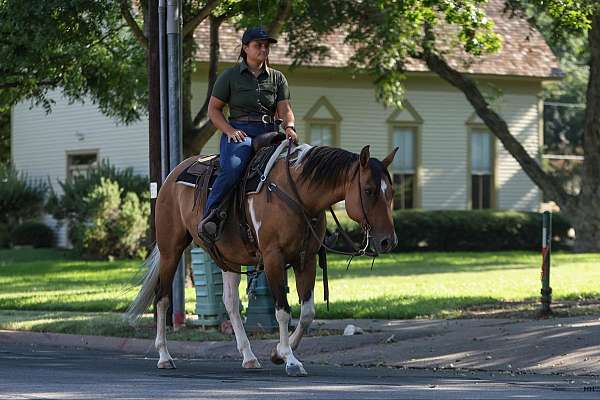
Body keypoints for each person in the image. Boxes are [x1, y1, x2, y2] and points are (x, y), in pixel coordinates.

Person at [198, 27, 298, 242]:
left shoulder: (278, 78)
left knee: (297, 168)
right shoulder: (230, 76)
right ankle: (211, 217)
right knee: (233, 168)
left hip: (270, 133)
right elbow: (213, 110)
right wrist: (230, 131)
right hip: (240, 134)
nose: (263, 49)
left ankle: (311, 225)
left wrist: (289, 126)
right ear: (245, 48)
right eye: (258, 45)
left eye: (266, 45)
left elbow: (285, 109)